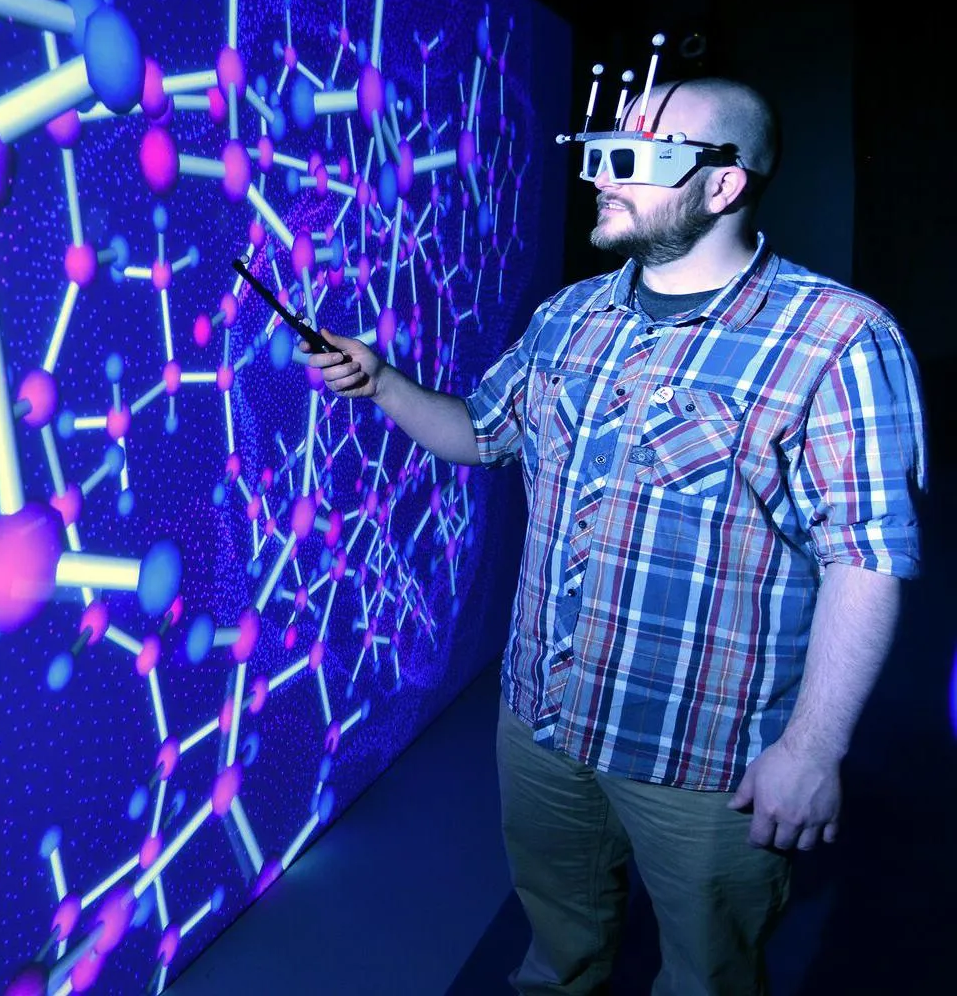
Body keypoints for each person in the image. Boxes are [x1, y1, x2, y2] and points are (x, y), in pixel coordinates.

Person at [305, 77, 927, 995]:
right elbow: (481, 432)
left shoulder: (839, 339)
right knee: (555, 960)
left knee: (705, 976)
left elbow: (865, 557)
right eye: (601, 153)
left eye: (634, 160)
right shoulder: (570, 316)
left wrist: (812, 749)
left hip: (706, 762)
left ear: (723, 185)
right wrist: (382, 383)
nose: (604, 177)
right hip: (543, 726)